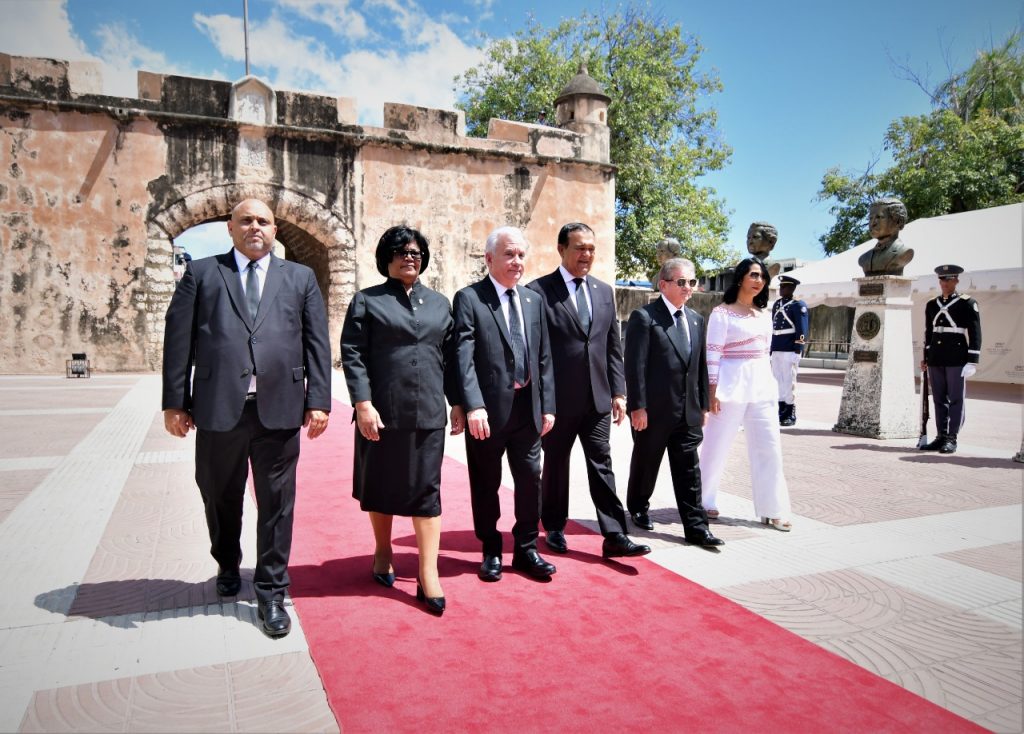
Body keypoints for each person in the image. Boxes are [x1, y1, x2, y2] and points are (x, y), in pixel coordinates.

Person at [162, 198, 332, 637]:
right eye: (246, 220)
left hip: (279, 409)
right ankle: (227, 562)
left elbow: (317, 342)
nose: (255, 227)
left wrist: (320, 401)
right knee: (219, 496)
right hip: (219, 408)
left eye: (264, 220)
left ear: (275, 229)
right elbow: (178, 340)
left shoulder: (300, 277)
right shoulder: (201, 274)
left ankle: (272, 591)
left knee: (277, 505)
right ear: (230, 228)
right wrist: (175, 402)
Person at [340, 226, 464, 616]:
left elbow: (453, 359)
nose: (409, 257)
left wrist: (458, 402)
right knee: (382, 484)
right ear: (386, 258)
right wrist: (362, 403)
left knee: (427, 489)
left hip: (428, 412)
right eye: (400, 251)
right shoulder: (367, 301)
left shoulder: (441, 304)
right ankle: (383, 551)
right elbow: (353, 353)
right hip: (382, 412)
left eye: (415, 251)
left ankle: (429, 573)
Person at [526, 222, 650, 559]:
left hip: (597, 398)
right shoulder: (537, 291)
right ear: (561, 249)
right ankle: (552, 526)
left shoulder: (603, 291)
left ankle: (615, 534)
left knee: (602, 463)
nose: (587, 255)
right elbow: (535, 351)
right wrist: (541, 400)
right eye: (580, 248)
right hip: (557, 401)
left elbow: (613, 346)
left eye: (592, 249)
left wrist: (619, 392)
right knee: (556, 464)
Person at [453, 226, 558, 581]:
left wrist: (548, 405)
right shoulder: (469, 299)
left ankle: (527, 549)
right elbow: (462, 358)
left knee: (530, 479)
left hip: (527, 409)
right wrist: (472, 406)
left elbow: (544, 357)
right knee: (486, 482)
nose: (516, 262)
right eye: (509, 255)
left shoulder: (533, 300)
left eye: (521, 255)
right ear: (489, 259)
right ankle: (490, 549)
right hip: (487, 413)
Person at [624, 257, 724, 547]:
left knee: (689, 472)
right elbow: (635, 366)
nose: (688, 288)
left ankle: (696, 528)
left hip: (688, 412)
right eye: (681, 282)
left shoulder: (695, 320)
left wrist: (703, 404)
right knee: (646, 463)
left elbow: (700, 366)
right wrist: (637, 407)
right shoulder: (645, 318)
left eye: (692, 282)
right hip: (653, 411)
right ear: (663, 284)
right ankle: (639, 507)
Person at [699, 257, 792, 531]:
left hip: (762, 386)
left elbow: (766, 353)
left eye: (762, 276)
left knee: (769, 447)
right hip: (729, 386)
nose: (758, 281)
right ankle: (703, 501)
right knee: (716, 445)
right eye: (753, 275)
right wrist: (712, 391)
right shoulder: (722, 313)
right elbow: (712, 354)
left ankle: (773, 508)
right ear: (740, 278)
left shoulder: (765, 315)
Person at [919, 264, 982, 455]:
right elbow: (929, 333)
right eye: (941, 279)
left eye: (947, 279)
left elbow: (975, 333)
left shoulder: (967, 303)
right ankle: (940, 436)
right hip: (937, 358)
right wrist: (926, 357)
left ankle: (951, 437)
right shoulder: (931, 304)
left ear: (956, 281)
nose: (943, 283)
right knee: (938, 399)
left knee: (956, 399)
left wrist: (972, 360)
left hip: (957, 357)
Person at [770, 274, 809, 426]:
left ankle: (789, 413)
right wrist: (771, 350)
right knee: (777, 381)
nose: (781, 289)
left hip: (789, 349)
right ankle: (779, 411)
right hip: (777, 348)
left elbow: (802, 329)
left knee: (789, 381)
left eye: (784, 286)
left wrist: (798, 349)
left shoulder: (798, 305)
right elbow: (773, 328)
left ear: (791, 288)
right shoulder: (777, 304)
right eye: (781, 286)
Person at [858, 198, 914, 276]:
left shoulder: (904, 252)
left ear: (898, 222)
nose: (872, 223)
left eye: (879, 217)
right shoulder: (864, 258)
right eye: (870, 218)